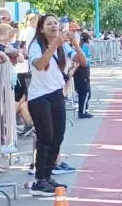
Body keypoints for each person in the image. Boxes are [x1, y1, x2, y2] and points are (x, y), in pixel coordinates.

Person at [27, 15, 88, 196]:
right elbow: (39, 65)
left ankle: (47, 176)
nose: (54, 26)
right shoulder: (36, 46)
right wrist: (54, 44)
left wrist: (75, 44)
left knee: (58, 136)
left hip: (56, 94)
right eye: (49, 24)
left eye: (56, 23)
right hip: (39, 96)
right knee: (46, 136)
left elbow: (82, 61)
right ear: (41, 29)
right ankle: (39, 180)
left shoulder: (63, 46)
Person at [74, 33, 93, 119]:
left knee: (83, 92)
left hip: (81, 71)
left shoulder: (81, 46)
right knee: (85, 92)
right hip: (82, 70)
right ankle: (82, 111)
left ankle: (83, 110)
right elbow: (80, 61)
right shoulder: (84, 47)